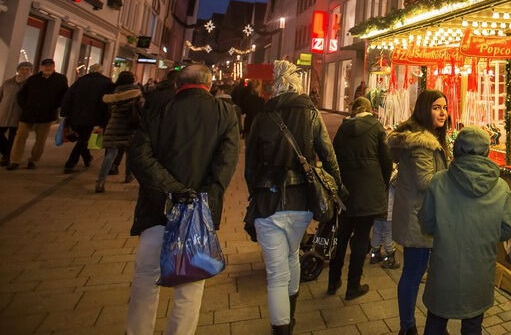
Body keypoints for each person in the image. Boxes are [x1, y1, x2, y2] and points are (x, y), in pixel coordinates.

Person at [126, 64, 239, 335]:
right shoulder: (225, 113)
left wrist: (171, 191)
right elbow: (225, 166)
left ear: (178, 84)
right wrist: (201, 202)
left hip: (157, 209)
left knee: (145, 279)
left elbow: (139, 157)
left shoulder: (158, 110)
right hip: (196, 214)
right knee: (190, 284)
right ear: (210, 85)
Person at [245, 60, 342, 334]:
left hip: (268, 202)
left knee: (276, 273)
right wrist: (337, 186)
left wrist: (255, 191)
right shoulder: (309, 111)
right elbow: (327, 153)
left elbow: (250, 165)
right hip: (302, 201)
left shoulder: (263, 115)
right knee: (292, 256)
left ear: (275, 85)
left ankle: (282, 328)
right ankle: (292, 315)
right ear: (297, 83)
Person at [418, 126, 511, 335]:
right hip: (480, 267)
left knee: (435, 319)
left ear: (456, 150)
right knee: (472, 325)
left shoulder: (439, 181)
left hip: (444, 265)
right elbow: (507, 229)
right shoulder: (501, 187)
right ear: (487, 151)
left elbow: (426, 223)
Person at [388, 90, 449, 335]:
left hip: (422, 215)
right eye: (436, 107)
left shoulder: (429, 137)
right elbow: (427, 181)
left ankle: (422, 325)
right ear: (425, 109)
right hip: (419, 218)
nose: (443, 112)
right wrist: (454, 178)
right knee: (414, 273)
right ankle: (408, 326)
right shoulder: (421, 143)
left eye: (444, 107)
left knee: (420, 273)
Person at [329, 96, 392, 300]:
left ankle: (333, 280)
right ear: (369, 109)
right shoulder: (376, 127)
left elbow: (333, 159)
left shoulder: (342, 129)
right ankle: (352, 286)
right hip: (368, 190)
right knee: (361, 237)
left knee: (342, 235)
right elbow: (386, 159)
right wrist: (382, 183)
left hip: (346, 191)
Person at [8, 58, 68, 170]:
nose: (48, 68)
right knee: (20, 137)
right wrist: (25, 106)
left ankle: (33, 160)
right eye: (45, 66)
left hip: (46, 115)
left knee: (40, 140)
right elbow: (21, 94)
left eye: (50, 65)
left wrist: (55, 106)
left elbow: (64, 95)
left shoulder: (60, 79)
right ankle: (15, 161)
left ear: (54, 67)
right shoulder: (33, 79)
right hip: (28, 114)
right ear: (41, 67)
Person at [60, 63, 113, 173]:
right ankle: (70, 164)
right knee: (83, 140)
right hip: (94, 115)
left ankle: (87, 158)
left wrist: (65, 112)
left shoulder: (80, 81)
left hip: (77, 115)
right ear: (101, 71)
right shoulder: (106, 82)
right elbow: (108, 101)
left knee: (83, 139)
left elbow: (69, 96)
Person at [95, 71, 143, 193]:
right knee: (130, 153)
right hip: (130, 127)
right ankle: (128, 175)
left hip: (114, 126)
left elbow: (108, 111)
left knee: (110, 155)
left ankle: (101, 181)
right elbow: (142, 109)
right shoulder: (136, 93)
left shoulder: (114, 93)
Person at [0, 62, 33, 166]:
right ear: (18, 70)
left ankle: (6, 157)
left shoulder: (31, 84)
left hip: (19, 115)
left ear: (30, 71)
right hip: (3, 113)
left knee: (13, 138)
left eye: (27, 69)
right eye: (22, 69)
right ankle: (7, 154)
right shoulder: (8, 83)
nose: (24, 71)